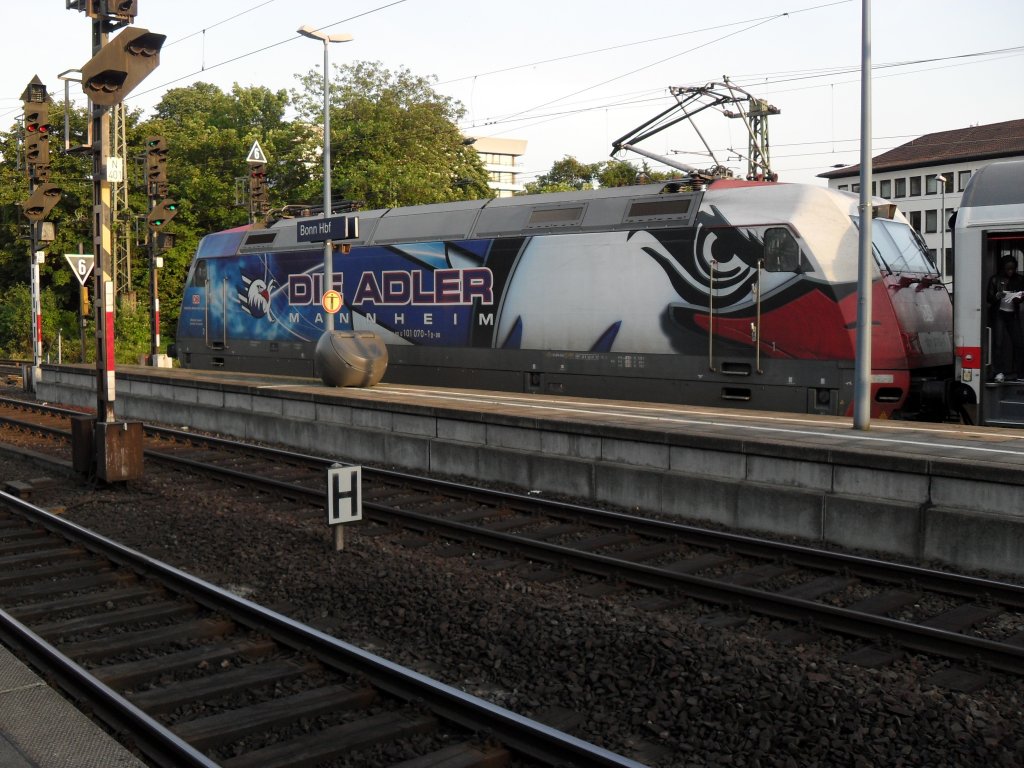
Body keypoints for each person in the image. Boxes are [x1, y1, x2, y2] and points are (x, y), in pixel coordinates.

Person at [986, 255, 1024, 382]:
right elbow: (988, 298)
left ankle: (1019, 372)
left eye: (1012, 269)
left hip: (1012, 314)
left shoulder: (1019, 279)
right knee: (998, 343)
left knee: (1018, 343)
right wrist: (997, 296)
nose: (1010, 271)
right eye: (1008, 269)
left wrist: (1019, 298)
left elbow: (1022, 295)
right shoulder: (994, 279)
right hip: (999, 314)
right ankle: (998, 372)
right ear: (1003, 268)